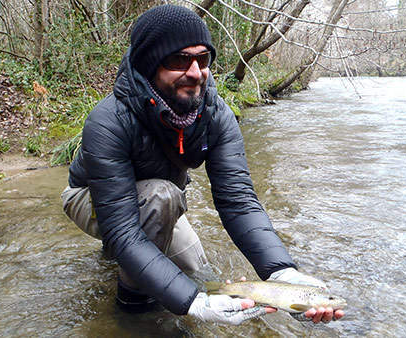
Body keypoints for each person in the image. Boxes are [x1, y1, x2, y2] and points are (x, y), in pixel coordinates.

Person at [61, 4, 344, 325]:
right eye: (179, 60)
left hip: (157, 201)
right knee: (161, 213)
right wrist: (191, 303)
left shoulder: (216, 114)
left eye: (203, 59)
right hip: (90, 197)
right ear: (148, 65)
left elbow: (238, 202)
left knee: (198, 275)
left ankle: (130, 263)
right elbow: (123, 230)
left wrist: (283, 272)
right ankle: (130, 306)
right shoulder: (108, 120)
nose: (195, 72)